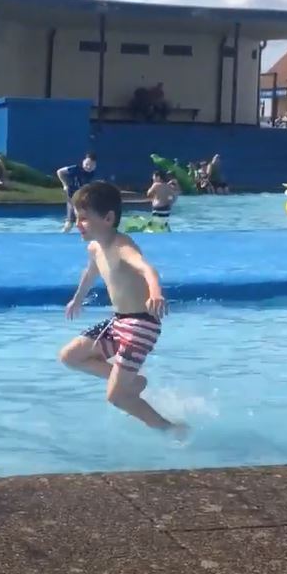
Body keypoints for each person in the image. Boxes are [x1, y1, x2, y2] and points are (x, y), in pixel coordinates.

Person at [59, 181, 183, 436]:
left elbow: (148, 269)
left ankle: (170, 429)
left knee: (116, 397)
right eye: (77, 217)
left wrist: (156, 293)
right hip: (118, 321)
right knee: (70, 356)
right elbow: (90, 272)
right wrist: (78, 298)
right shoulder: (95, 247)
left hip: (140, 325)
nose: (78, 224)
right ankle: (132, 382)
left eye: (84, 218)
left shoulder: (122, 246)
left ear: (108, 218)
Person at [56, 152, 97, 232]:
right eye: (87, 164)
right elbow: (59, 172)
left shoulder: (93, 174)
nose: (88, 167)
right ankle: (61, 237)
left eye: (91, 165)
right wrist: (65, 184)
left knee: (91, 222)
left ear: (95, 166)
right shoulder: (75, 169)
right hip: (72, 198)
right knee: (69, 224)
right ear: (83, 162)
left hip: (84, 200)